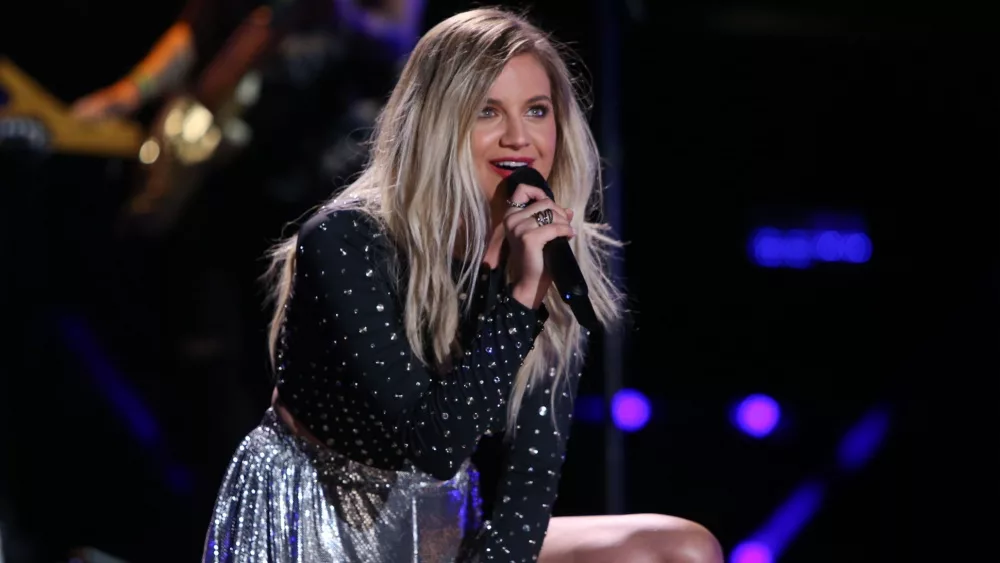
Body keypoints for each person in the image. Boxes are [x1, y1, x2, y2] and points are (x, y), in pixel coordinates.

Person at [202, 7, 724, 563]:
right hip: (316, 528)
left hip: (438, 528)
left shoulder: (545, 257)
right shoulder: (344, 240)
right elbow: (434, 446)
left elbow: (525, 505)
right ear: (437, 124)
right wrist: (523, 297)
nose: (520, 138)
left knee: (683, 549)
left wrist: (536, 286)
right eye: (488, 112)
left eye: (537, 111)